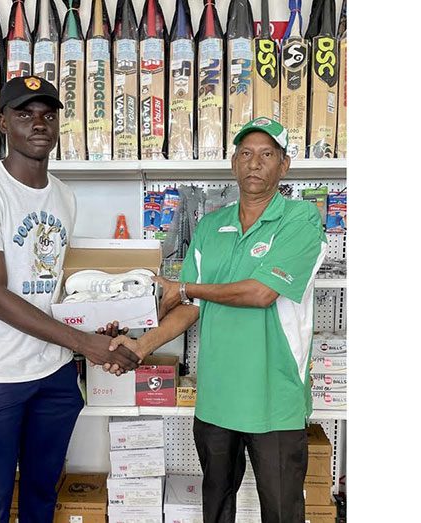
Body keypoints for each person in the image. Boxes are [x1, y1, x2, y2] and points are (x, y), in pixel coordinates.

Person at [109, 117, 328, 523]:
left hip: (274, 401)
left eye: (267, 154)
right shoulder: (211, 227)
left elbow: (261, 293)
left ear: (285, 164)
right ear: (233, 162)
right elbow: (188, 307)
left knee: (282, 513)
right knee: (217, 510)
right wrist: (141, 345)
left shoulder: (301, 220)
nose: (254, 163)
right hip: (217, 400)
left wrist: (188, 288)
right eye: (245, 153)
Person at [0, 75, 139, 523]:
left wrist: (98, 327)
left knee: (41, 498)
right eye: (24, 114)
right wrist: (84, 344)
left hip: (53, 376)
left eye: (48, 115)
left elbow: (52, 286)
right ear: (2, 123)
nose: (38, 123)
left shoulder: (64, 197)